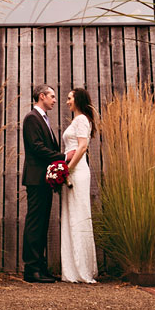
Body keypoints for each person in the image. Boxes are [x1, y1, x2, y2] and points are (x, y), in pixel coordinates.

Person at [21, 84, 65, 283]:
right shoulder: (32, 118)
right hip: (36, 179)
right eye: (52, 97)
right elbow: (37, 147)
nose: (55, 100)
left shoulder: (44, 119)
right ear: (42, 96)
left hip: (44, 180)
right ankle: (31, 270)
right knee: (34, 223)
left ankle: (41, 267)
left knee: (42, 224)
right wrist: (62, 157)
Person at [60, 87, 98, 284]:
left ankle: (82, 269)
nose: (67, 102)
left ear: (78, 100)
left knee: (79, 216)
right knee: (71, 215)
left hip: (77, 171)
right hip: (71, 170)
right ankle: (72, 270)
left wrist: (67, 169)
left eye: (69, 98)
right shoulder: (76, 120)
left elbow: (82, 147)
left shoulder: (82, 119)